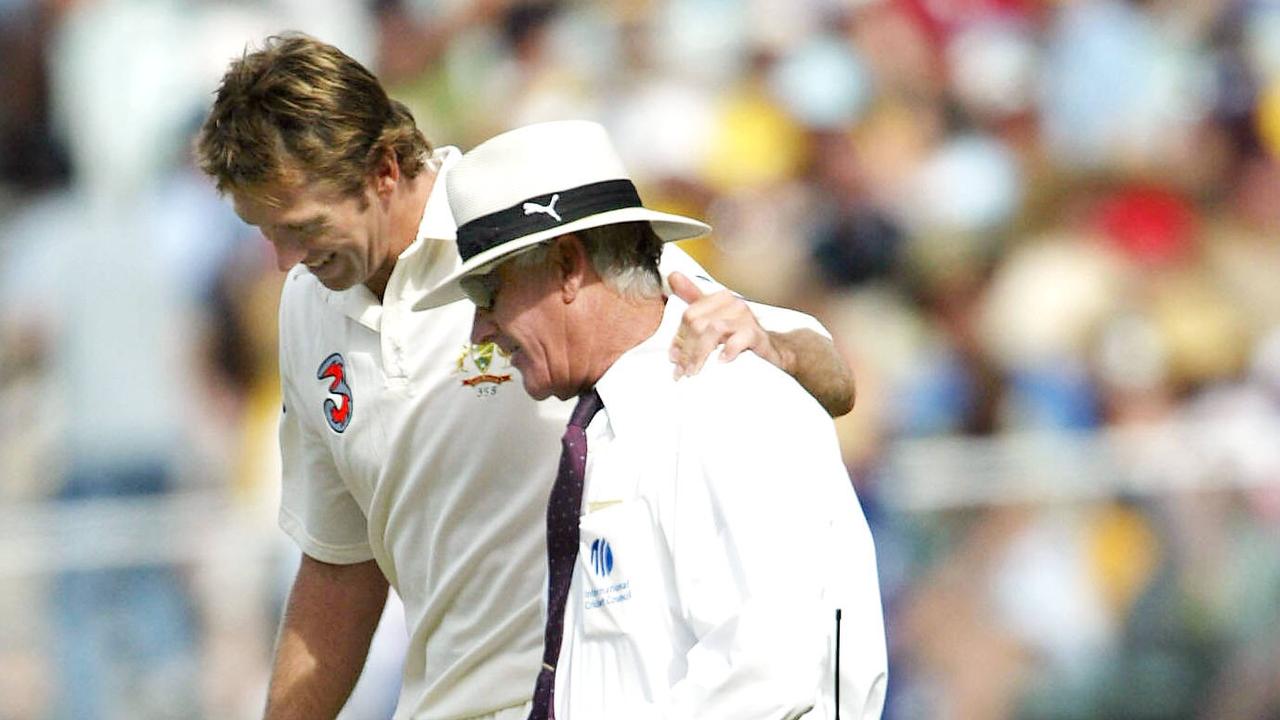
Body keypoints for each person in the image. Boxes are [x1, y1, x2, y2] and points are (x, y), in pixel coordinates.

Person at [195, 34, 856, 720]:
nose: (284, 260)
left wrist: (770, 347)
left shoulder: (527, 219)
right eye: (265, 231)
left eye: (301, 227)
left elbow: (825, 377)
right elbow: (338, 563)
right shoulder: (308, 304)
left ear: (384, 169)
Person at [417, 120, 887, 719]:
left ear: (567, 266)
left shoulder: (723, 401)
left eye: (488, 291)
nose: (480, 329)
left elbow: (772, 676)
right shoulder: (626, 417)